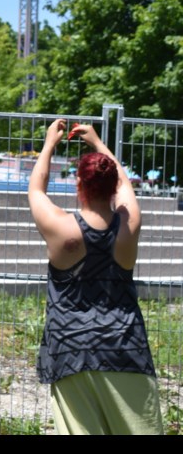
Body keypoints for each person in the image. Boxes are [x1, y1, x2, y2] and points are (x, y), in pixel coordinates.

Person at [28, 120, 163, 434]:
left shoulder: (61, 229)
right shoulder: (128, 227)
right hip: (124, 347)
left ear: (79, 184)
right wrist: (99, 144)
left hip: (69, 349)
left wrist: (50, 144)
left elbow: (36, 188)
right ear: (113, 185)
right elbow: (126, 186)